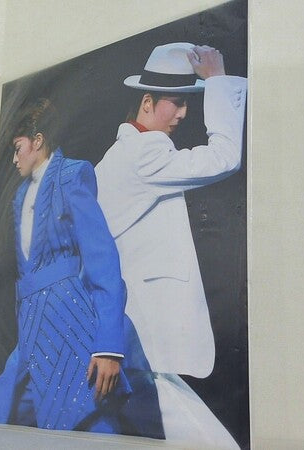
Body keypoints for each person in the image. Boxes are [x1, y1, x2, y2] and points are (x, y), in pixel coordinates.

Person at [95, 42, 247, 447]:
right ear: (147, 102)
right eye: (176, 102)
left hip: (132, 342)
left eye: (187, 103)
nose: (183, 114)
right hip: (144, 345)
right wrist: (218, 82)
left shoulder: (116, 156)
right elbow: (224, 157)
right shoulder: (144, 154)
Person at [0, 99, 130, 434]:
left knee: (88, 417)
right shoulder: (19, 196)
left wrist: (109, 347)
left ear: (38, 141)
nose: (14, 159)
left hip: (70, 324)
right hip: (31, 329)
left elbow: (103, 259)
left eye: (18, 149)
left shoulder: (72, 176)